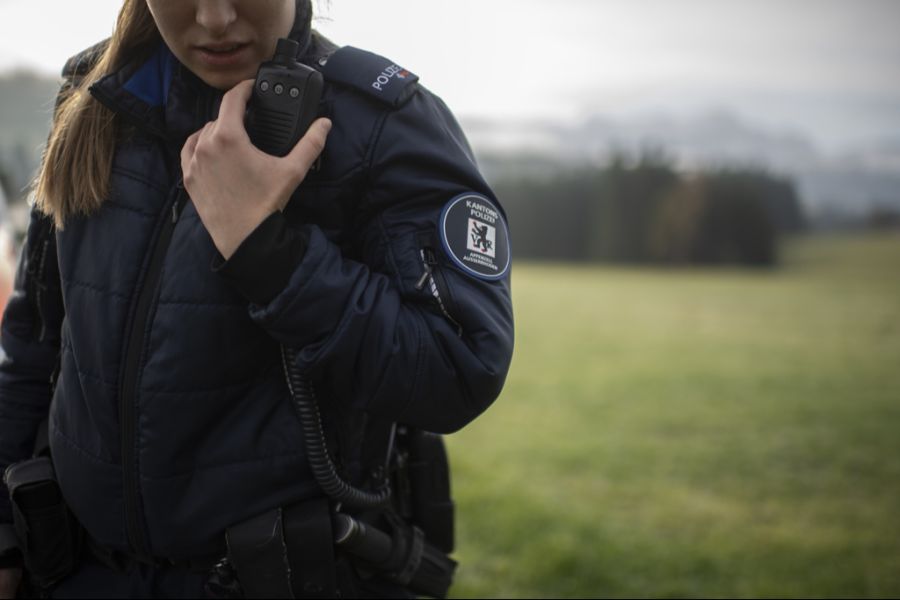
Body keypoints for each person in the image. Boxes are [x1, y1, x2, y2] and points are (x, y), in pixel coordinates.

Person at [0, 0, 514, 597]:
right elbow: (34, 347)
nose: (215, 19)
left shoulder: (379, 123)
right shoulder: (93, 98)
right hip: (75, 574)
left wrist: (265, 248)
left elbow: (458, 367)